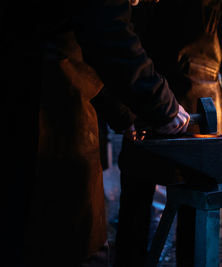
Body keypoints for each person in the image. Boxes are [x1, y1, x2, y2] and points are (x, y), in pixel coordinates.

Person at [4, 0, 189, 266]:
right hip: (47, 122)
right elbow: (109, 36)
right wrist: (164, 106)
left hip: (51, 105)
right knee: (61, 242)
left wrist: (124, 115)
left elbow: (84, 55)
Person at [115, 0, 222, 266]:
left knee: (194, 216)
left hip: (200, 117)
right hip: (148, 111)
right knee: (136, 212)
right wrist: (124, 115)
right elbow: (120, 54)